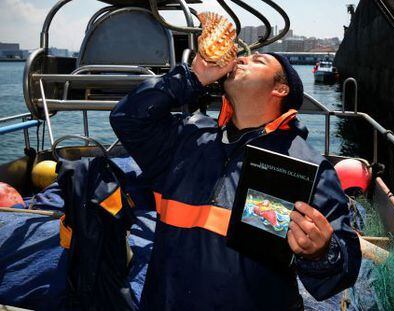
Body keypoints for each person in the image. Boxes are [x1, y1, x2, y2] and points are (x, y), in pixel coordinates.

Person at [110, 52, 361, 310]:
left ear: (280, 89)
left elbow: (342, 272)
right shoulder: (187, 137)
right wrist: (191, 78)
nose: (241, 59)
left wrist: (320, 253)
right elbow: (128, 118)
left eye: (258, 60)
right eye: (243, 57)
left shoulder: (306, 165)